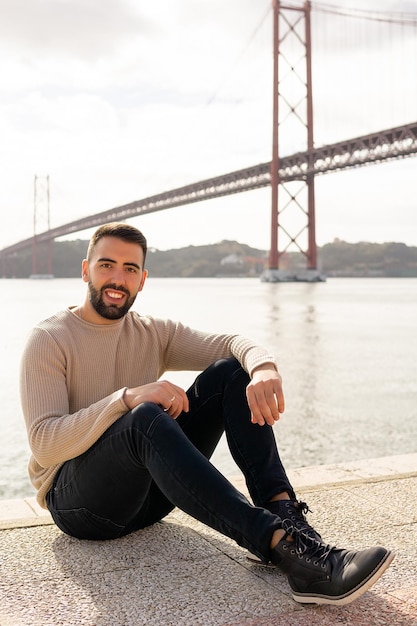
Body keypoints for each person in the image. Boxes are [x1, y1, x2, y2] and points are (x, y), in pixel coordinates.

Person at [20, 222, 393, 607]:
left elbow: (231, 344)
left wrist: (264, 367)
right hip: (81, 508)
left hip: (149, 500)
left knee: (231, 372)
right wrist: (127, 398)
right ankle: (283, 548)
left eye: (130, 269)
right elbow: (45, 444)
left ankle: (289, 524)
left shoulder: (153, 332)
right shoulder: (50, 338)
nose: (117, 279)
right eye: (106, 265)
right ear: (85, 270)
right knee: (144, 417)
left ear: (143, 280)